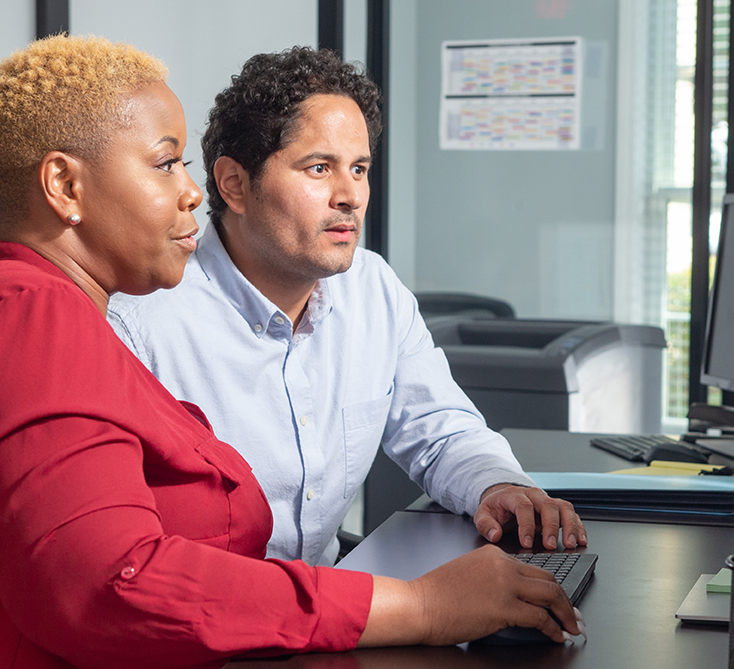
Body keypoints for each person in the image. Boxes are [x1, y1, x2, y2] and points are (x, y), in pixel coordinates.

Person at [0, 35, 584, 669]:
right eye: (166, 164)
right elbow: (116, 584)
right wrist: (416, 606)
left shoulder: (43, 311)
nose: (187, 191)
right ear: (65, 185)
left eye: (358, 169)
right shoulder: (45, 321)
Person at [108, 46, 588, 568]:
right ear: (234, 184)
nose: (350, 196)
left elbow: (439, 427)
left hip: (331, 611)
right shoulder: (140, 323)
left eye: (359, 169)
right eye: (319, 168)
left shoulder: (373, 288)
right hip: (209, 629)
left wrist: (496, 484)